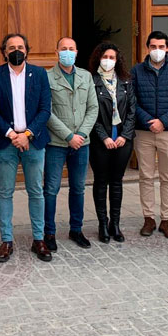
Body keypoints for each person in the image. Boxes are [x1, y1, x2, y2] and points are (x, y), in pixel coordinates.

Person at [0, 33, 53, 262]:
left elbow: (45, 109)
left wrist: (27, 134)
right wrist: (12, 133)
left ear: (27, 50)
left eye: (20, 46)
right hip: (6, 142)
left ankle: (38, 239)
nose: (16, 50)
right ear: (4, 51)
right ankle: (6, 241)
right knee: (5, 192)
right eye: (11, 47)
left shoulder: (40, 74)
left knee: (36, 191)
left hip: (33, 141)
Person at [130, 31, 168, 239]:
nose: (157, 51)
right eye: (153, 46)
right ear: (147, 48)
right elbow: (132, 100)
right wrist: (149, 121)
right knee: (145, 176)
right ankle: (148, 218)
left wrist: (163, 121)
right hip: (144, 131)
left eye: (161, 47)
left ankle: (167, 220)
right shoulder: (136, 71)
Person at [43, 37, 98, 250]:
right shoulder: (46, 77)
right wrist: (68, 136)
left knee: (78, 188)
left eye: (71, 49)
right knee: (51, 188)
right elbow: (46, 111)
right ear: (56, 51)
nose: (67, 52)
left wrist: (81, 134)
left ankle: (76, 229)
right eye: (63, 49)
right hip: (57, 143)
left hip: (82, 143)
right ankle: (49, 232)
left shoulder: (86, 76)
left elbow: (93, 108)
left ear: (77, 52)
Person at [89, 43, 137, 243]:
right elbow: (91, 112)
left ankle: (115, 224)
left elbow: (132, 111)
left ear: (118, 61)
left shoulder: (126, 82)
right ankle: (102, 223)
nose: (108, 60)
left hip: (122, 141)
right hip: (101, 141)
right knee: (101, 182)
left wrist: (124, 136)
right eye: (105, 56)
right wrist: (104, 137)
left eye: (112, 57)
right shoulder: (91, 81)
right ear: (99, 58)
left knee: (116, 182)